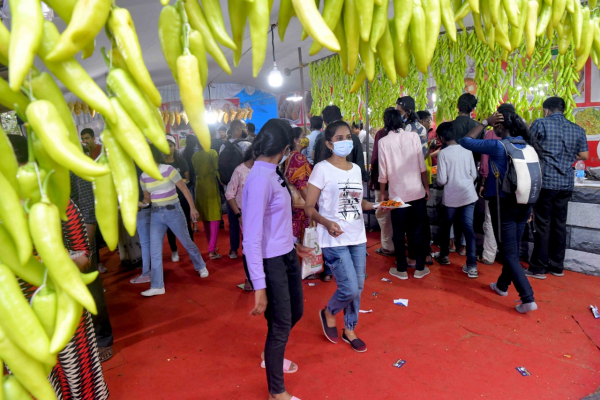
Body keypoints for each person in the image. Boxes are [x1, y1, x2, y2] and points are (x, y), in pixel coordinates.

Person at [8, 134, 109, 398]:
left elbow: (84, 257)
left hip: (63, 306)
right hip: (15, 313)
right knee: (36, 381)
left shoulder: (58, 204)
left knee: (76, 371)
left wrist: (52, 260)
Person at [242, 119, 315, 400]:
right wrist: (259, 285)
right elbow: (251, 237)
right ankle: (277, 391)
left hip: (285, 254)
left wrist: (294, 247)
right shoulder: (260, 179)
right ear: (285, 147)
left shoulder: (274, 172)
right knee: (281, 322)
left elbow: (277, 222)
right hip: (270, 262)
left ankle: (269, 353)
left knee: (293, 313)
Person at [459, 104, 538, 313]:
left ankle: (528, 298)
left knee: (509, 252)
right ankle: (502, 285)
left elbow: (464, 141)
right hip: (524, 204)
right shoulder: (528, 146)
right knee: (512, 248)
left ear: (500, 126)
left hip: (503, 205)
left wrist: (485, 122)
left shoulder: (499, 146)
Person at [305, 120, 373, 352]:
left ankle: (350, 328)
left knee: (359, 286)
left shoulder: (355, 169)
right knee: (349, 288)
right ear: (329, 144)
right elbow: (309, 207)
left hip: (357, 236)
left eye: (348, 137)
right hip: (333, 238)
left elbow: (356, 202)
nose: (346, 141)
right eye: (339, 138)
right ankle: (329, 311)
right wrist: (326, 222)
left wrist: (377, 205)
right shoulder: (321, 169)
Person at [526, 97, 589, 279]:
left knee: (542, 224)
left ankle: (538, 268)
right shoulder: (577, 129)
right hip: (566, 184)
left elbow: (528, 147)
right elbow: (584, 154)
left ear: (546, 110)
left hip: (546, 182)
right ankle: (556, 267)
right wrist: (567, 154)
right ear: (563, 109)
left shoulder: (540, 123)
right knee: (559, 225)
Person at [140, 145, 208, 297]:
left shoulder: (168, 170)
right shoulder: (144, 176)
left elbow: (184, 189)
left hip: (173, 211)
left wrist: (192, 208)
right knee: (155, 251)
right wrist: (137, 205)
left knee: (187, 242)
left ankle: (201, 266)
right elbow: (147, 199)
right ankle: (157, 285)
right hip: (156, 214)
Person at [379, 109, 431, 279]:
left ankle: (401, 269)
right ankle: (420, 268)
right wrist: (427, 188)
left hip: (396, 196)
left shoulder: (383, 142)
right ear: (402, 121)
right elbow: (422, 167)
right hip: (416, 192)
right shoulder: (413, 137)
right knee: (418, 231)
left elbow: (383, 173)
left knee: (398, 233)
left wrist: (382, 195)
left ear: (386, 122)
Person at [434, 122, 479, 278]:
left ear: (441, 137)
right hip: (468, 194)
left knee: (446, 227)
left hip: (452, 196)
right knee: (468, 229)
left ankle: (444, 255)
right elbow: (474, 175)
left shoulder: (443, 154)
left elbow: (441, 180)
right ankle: (472, 265)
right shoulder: (467, 150)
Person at [225, 146, 255, 291]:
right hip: (246, 215)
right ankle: (248, 277)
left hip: (264, 214)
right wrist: (239, 215)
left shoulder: (265, 169)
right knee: (249, 247)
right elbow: (229, 194)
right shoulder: (240, 170)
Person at [313, 105, 367, 182]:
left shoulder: (320, 141)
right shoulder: (354, 138)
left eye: (348, 137)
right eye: (339, 138)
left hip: (328, 183)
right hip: (351, 182)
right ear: (341, 118)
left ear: (324, 123)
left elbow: (316, 170)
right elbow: (360, 163)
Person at [370, 107, 396, 258]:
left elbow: (376, 160)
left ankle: (388, 246)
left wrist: (375, 181)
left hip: (383, 183)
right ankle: (396, 242)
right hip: (400, 184)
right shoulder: (406, 135)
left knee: (383, 214)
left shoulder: (381, 134)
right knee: (396, 214)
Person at [163, 135, 194, 263]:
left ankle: (191, 248)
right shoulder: (160, 164)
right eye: (166, 145)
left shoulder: (181, 161)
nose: (169, 148)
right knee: (170, 226)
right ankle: (174, 250)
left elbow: (187, 179)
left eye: (171, 145)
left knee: (186, 223)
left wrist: (180, 182)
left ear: (174, 147)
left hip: (182, 197)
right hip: (167, 198)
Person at [192, 141, 223, 259]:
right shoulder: (212, 153)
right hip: (211, 186)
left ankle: (211, 245)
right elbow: (216, 169)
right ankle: (211, 250)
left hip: (200, 187)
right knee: (214, 217)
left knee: (205, 217)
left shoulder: (194, 156)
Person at [283, 127, 313, 243]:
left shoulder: (290, 156)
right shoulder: (298, 157)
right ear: (296, 140)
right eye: (303, 136)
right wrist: (311, 205)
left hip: (294, 204)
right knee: (303, 237)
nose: (306, 139)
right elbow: (301, 183)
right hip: (302, 204)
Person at [477, 128, 500, 265]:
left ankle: (489, 255)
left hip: (494, 182)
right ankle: (509, 255)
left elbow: (484, 160)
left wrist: (483, 181)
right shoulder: (519, 133)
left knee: (490, 218)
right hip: (514, 184)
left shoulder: (491, 134)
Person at [182, 134, 199, 199]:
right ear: (195, 142)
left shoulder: (182, 152)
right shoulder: (197, 151)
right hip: (196, 175)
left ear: (186, 142)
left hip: (186, 176)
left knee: (190, 194)